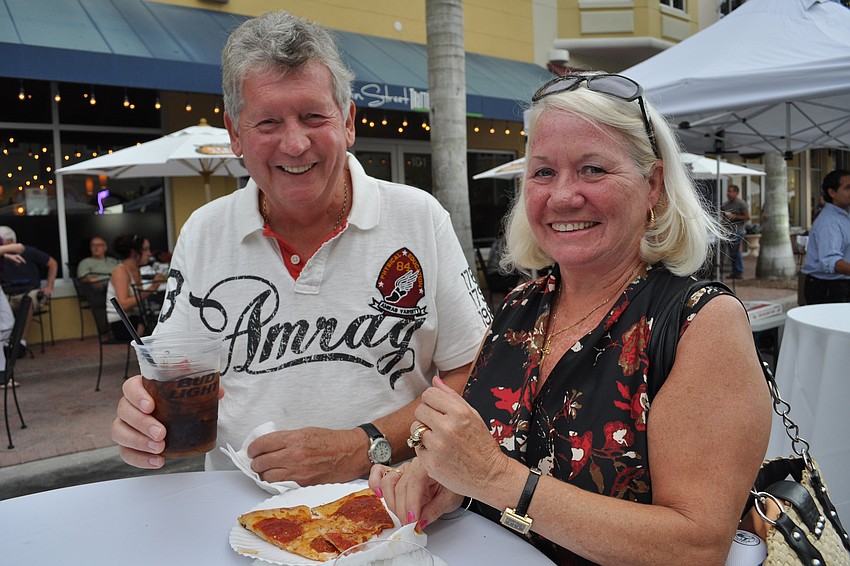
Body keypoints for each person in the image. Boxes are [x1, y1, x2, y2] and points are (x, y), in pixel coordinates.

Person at [369, 72, 771, 564]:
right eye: (542, 172)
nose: (562, 196)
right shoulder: (521, 306)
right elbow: (502, 467)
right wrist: (450, 481)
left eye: (593, 169)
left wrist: (493, 478)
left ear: (653, 185)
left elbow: (696, 545)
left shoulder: (700, 323)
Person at [111, 11, 489, 485]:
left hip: (392, 508)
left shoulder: (419, 217)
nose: (294, 143)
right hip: (236, 515)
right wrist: (142, 420)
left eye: (313, 116)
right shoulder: (204, 231)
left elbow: (476, 372)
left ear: (348, 121)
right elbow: (171, 373)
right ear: (235, 134)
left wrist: (364, 443)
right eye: (268, 122)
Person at [0, 226, 58, 352]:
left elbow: (52, 263)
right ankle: (5, 344)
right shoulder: (3, 257)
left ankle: (21, 342)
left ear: (10, 241)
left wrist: (49, 286)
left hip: (29, 292)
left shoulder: (28, 251)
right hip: (8, 294)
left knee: (28, 299)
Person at [801, 169, 850, 304]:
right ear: (832, 192)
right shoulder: (829, 222)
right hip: (829, 287)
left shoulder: (843, 216)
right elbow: (831, 261)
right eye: (847, 188)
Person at [106, 234, 165, 340]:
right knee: (156, 324)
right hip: (122, 323)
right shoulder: (121, 271)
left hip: (134, 318)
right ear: (134, 253)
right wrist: (152, 288)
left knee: (161, 318)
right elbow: (123, 304)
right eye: (146, 250)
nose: (149, 254)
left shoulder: (136, 270)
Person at [720, 184, 750, 279]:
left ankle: (739, 271)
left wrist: (734, 216)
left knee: (736, 251)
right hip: (728, 231)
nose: (728, 193)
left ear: (736, 193)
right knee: (731, 252)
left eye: (730, 191)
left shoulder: (741, 203)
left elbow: (747, 217)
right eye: (727, 191)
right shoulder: (725, 205)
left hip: (738, 230)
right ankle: (734, 271)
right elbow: (723, 217)